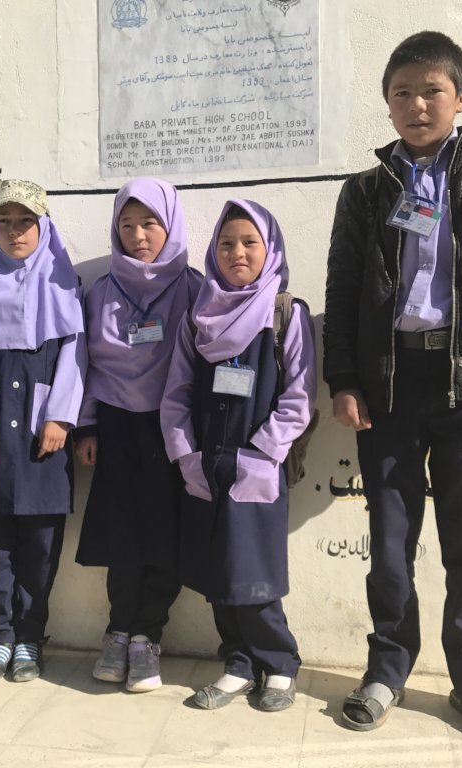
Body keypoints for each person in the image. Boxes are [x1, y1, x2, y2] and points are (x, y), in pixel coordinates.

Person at [323, 31, 462, 747]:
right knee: (389, 546)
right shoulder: (366, 192)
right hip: (390, 389)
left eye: (431, 91)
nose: (417, 105)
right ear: (388, 106)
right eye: (402, 93)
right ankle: (387, 670)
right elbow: (343, 287)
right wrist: (344, 380)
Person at [160, 200, 317, 712]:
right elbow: (177, 393)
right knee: (215, 571)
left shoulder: (285, 312)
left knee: (254, 572)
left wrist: (263, 455)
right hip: (206, 464)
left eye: (250, 242)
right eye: (227, 243)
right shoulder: (199, 314)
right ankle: (238, 664)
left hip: (256, 466)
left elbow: (300, 395)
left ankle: (280, 663)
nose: (237, 252)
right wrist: (186, 456)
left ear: (269, 249)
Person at [0, 179, 85, 684]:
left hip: (40, 436)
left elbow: (75, 354)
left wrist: (60, 416)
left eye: (24, 221)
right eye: (3, 222)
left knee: (39, 545)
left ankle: (30, 637)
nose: (14, 232)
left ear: (42, 224)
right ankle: (0, 638)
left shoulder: (61, 283)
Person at [74, 178, 202, 692]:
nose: (138, 235)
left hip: (173, 425)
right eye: (127, 225)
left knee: (163, 533)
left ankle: (149, 636)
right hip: (117, 426)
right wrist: (85, 423)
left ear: (170, 225)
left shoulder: (193, 287)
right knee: (121, 533)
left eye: (150, 223)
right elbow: (84, 364)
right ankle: (119, 630)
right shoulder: (101, 291)